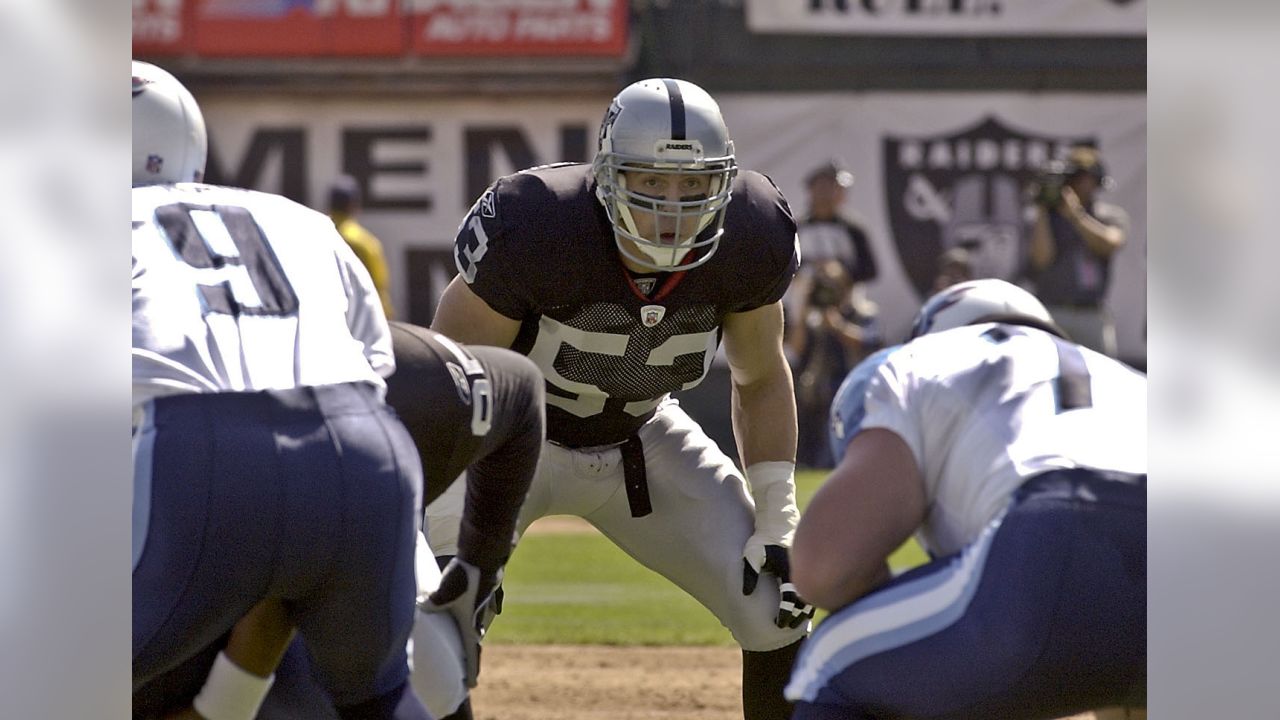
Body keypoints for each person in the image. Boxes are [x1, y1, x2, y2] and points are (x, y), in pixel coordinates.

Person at [428, 77, 815, 720]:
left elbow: (761, 377)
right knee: (436, 615)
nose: (672, 206)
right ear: (606, 177)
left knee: (775, 603)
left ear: (723, 182)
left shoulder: (752, 235)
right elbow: (451, 383)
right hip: (508, 449)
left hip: (642, 437)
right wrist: (448, 533)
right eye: (651, 181)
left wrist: (777, 511)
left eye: (693, 185)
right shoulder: (538, 223)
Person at [132, 61, 430, 719]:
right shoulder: (301, 220)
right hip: (367, 452)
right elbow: (376, 367)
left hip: (198, 458)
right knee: (380, 700)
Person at [131, 321, 547, 720]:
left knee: (426, 673)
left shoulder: (416, 380)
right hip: (218, 554)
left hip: (352, 546)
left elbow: (519, 392)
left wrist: (475, 577)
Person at [785, 279, 1147, 719]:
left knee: (831, 659)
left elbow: (824, 569)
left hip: (1059, 531)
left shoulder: (916, 362)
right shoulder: (1127, 379)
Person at [785, 159, 881, 469]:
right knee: (799, 376)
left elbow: (870, 270)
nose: (828, 194)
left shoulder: (853, 229)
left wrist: (838, 279)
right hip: (804, 314)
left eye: (834, 188)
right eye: (822, 187)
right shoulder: (797, 227)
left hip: (844, 314)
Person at [1026, 144, 1129, 356]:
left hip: (1091, 313)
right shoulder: (1048, 218)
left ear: (1098, 180)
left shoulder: (1108, 215)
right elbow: (1041, 258)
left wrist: (1076, 216)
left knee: (1102, 380)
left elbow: (1111, 244)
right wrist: (1044, 208)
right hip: (1053, 311)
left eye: (1088, 178)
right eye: (1077, 177)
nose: (1082, 184)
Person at [329, 174, 395, 319]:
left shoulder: (317, 237)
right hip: (360, 323)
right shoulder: (365, 243)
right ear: (353, 205)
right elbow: (379, 289)